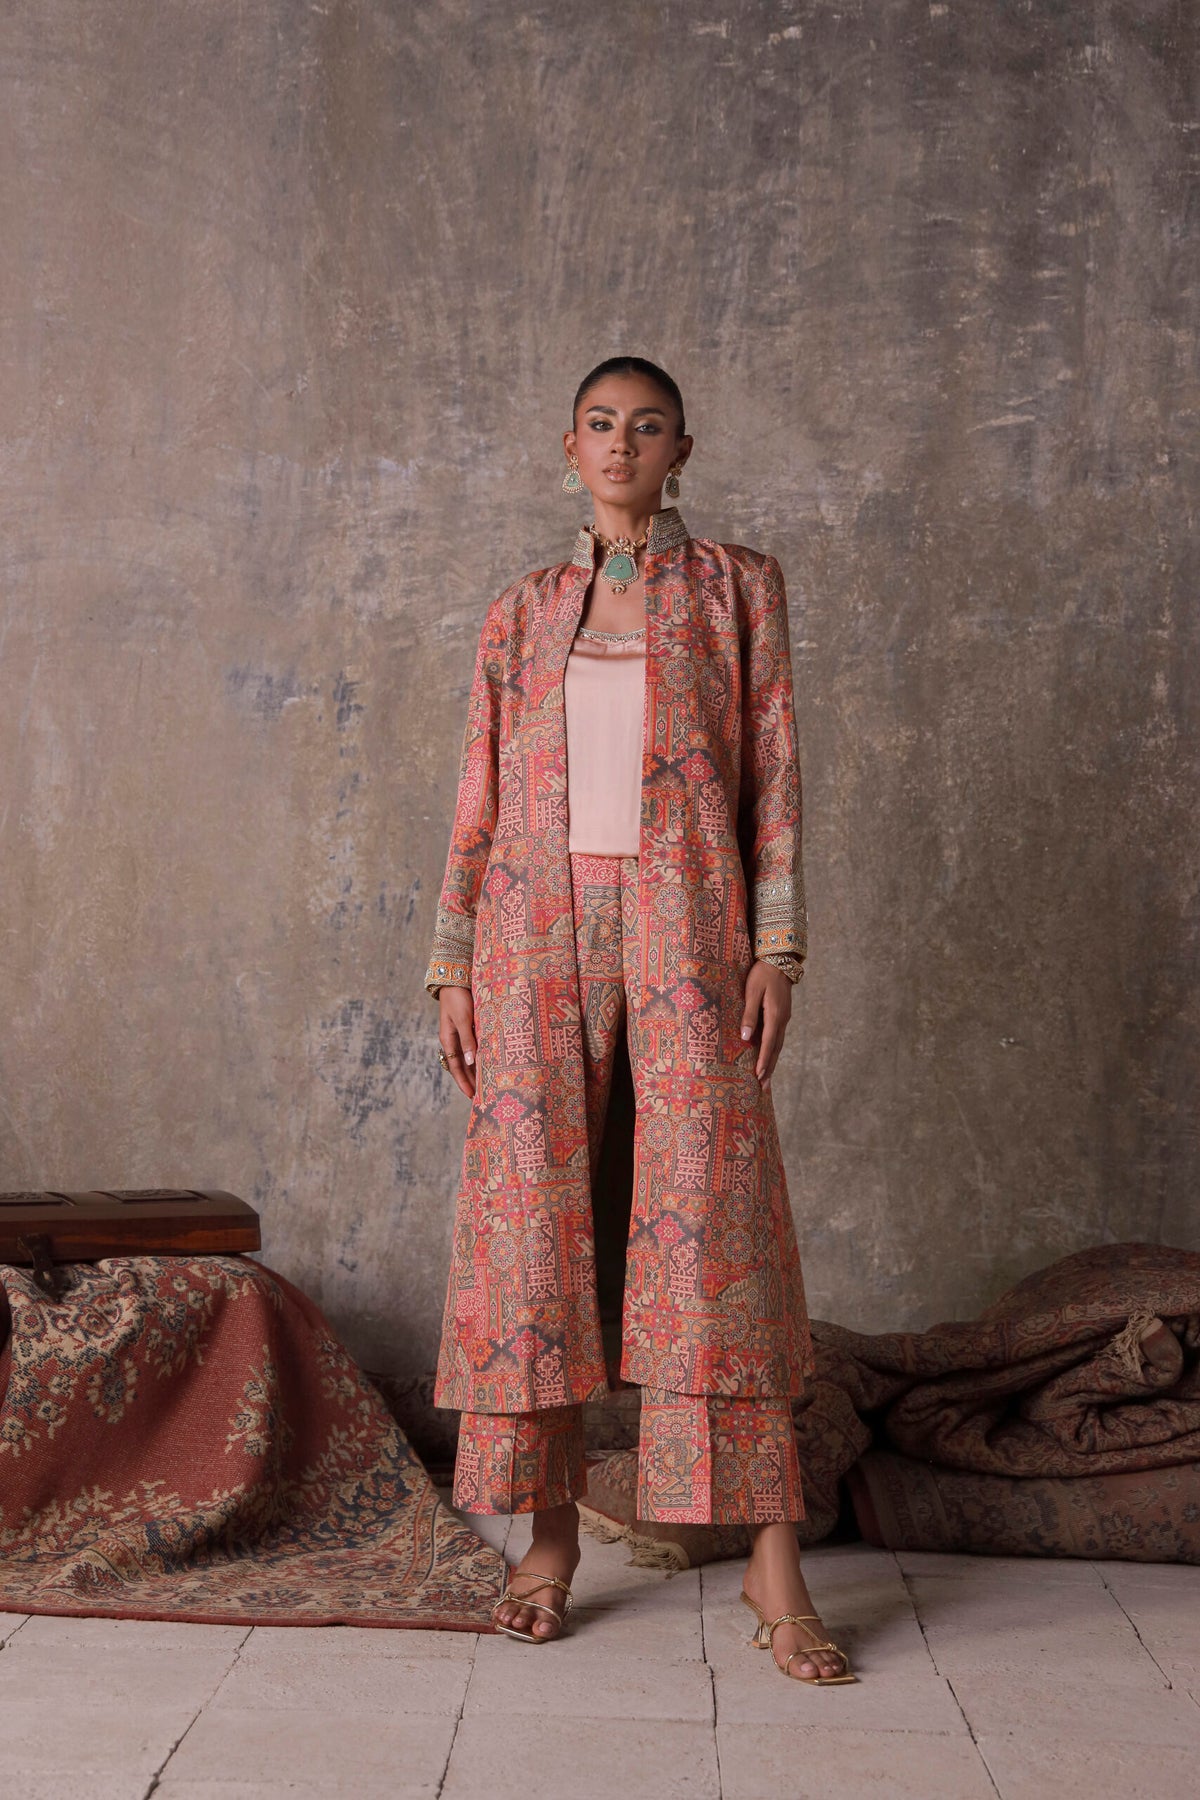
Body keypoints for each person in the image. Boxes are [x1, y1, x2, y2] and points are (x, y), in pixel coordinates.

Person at [425, 356, 855, 1685]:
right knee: (536, 1236)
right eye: (601, 425)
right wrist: (452, 963)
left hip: (689, 926)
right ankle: (548, 1544)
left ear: (682, 450)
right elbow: (480, 794)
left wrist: (776, 946)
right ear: (570, 448)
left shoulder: (737, 588)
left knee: (715, 1228)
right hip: (531, 937)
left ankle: (773, 1568)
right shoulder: (520, 610)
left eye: (647, 426)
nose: (622, 445)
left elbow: (775, 772)